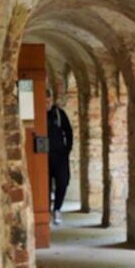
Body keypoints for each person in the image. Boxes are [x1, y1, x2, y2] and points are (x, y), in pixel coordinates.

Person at [47, 96, 73, 224]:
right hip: (42, 156)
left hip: (60, 155)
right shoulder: (36, 114)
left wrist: (67, 149)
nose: (46, 103)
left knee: (63, 181)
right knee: (44, 185)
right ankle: (45, 210)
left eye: (48, 100)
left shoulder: (58, 114)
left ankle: (57, 208)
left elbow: (68, 131)